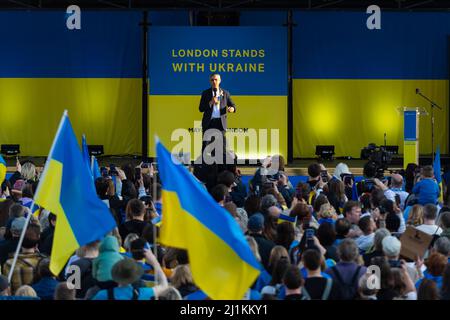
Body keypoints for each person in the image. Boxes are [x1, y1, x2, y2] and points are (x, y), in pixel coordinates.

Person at [198, 73, 236, 158]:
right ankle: (205, 168)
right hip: (209, 123)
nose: (214, 81)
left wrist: (232, 109)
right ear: (210, 81)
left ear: (220, 81)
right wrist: (211, 102)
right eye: (212, 80)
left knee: (221, 146)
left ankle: (221, 168)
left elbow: (233, 105)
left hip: (220, 123)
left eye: (216, 80)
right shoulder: (205, 93)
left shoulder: (225, 93)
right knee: (206, 145)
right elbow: (201, 108)